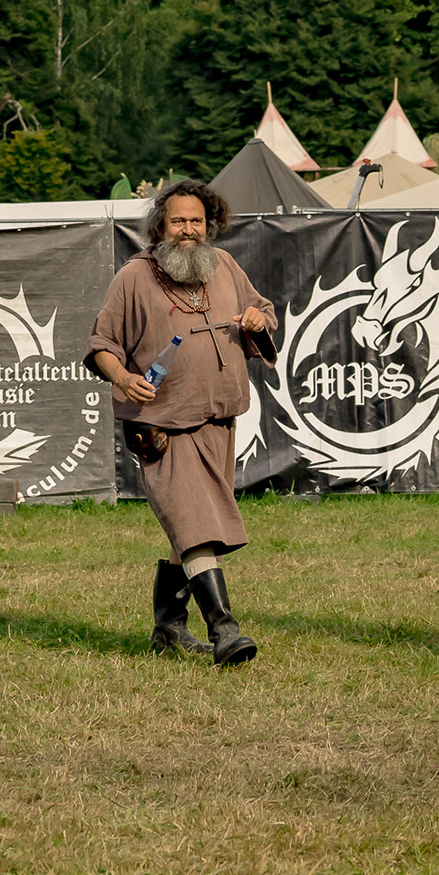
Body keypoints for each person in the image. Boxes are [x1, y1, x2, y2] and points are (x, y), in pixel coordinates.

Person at [85, 180, 278, 665]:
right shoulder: (134, 277)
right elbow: (102, 345)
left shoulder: (224, 265)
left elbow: (263, 311)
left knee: (192, 526)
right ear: (160, 226)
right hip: (161, 426)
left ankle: (168, 627)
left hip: (219, 420)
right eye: (178, 221)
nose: (188, 230)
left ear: (209, 225)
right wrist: (123, 377)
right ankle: (225, 631)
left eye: (196, 221)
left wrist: (257, 319)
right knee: (195, 524)